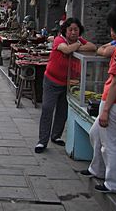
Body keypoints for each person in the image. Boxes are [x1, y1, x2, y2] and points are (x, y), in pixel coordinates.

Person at [35, 17, 96, 153]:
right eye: (70, 30)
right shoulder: (59, 40)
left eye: (76, 30)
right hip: (51, 81)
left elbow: (93, 47)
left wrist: (77, 44)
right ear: (65, 31)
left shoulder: (79, 41)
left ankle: (56, 136)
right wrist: (78, 45)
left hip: (68, 83)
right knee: (47, 109)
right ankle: (42, 141)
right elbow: (66, 50)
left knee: (62, 111)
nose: (73, 32)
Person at [83, 6, 116, 193]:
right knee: (96, 134)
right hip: (115, 99)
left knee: (110, 144)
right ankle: (97, 168)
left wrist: (106, 110)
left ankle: (115, 183)